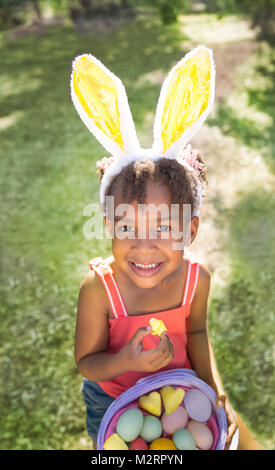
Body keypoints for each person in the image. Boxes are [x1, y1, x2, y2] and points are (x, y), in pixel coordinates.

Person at [71, 47, 261, 450]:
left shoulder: (196, 280)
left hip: (181, 392)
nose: (145, 246)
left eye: (164, 227)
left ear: (190, 230)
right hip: (112, 400)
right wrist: (126, 362)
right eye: (127, 227)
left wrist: (212, 389)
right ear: (108, 225)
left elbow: (195, 331)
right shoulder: (97, 288)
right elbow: (87, 362)